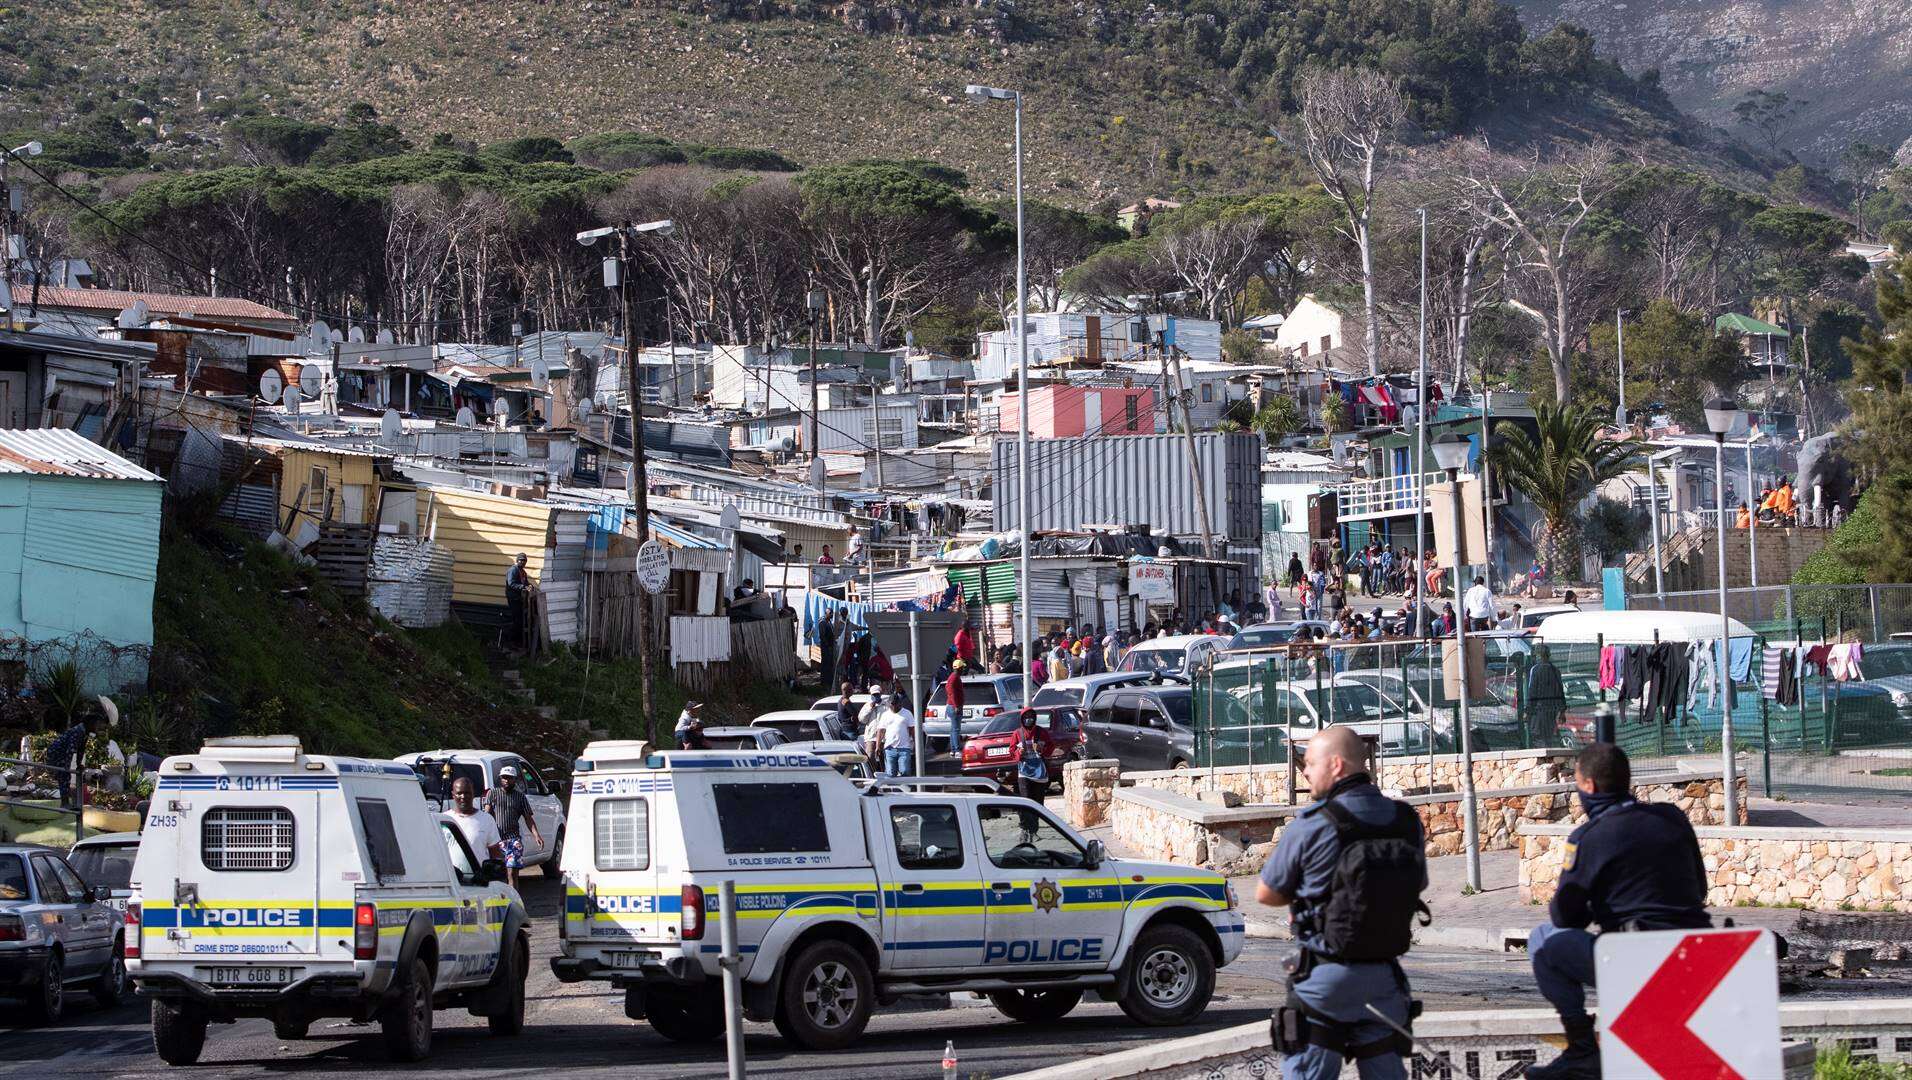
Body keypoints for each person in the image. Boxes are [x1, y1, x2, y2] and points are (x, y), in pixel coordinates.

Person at [1524, 743, 1709, 1080]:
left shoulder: (1588, 837)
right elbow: (1700, 888)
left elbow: (1566, 918)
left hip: (1635, 959)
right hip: (1695, 954)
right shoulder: (1673, 818)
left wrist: (1599, 904)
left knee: (1542, 941)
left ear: (1590, 787)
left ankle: (1582, 1050)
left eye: (1577, 783)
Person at [1258, 726, 1426, 1079]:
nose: (1304, 771)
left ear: (1336, 766)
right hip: (1386, 981)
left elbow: (1266, 892)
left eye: (1310, 763)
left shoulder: (1314, 823)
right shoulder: (1406, 821)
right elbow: (1418, 883)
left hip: (1325, 981)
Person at [484, 765, 545, 889]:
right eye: (504, 778)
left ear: (514, 780)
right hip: (496, 840)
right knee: (497, 873)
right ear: (500, 779)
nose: (506, 780)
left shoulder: (520, 797)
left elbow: (528, 818)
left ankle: (515, 900)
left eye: (510, 778)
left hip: (513, 840)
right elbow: (486, 815)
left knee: (512, 873)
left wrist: (536, 835)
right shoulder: (492, 793)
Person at [447, 776, 503, 862]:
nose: (463, 797)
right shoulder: (445, 819)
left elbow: (496, 854)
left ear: (473, 793)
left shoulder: (486, 819)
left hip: (479, 874)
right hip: (450, 875)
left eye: (467, 793)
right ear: (453, 795)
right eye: (459, 793)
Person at [1524, 643, 1566, 746]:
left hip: (1538, 710)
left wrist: (1527, 711)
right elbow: (1560, 691)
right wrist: (1562, 711)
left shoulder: (1535, 670)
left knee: (1537, 737)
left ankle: (1543, 760)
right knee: (1548, 737)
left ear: (1538, 655)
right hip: (1552, 710)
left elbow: (1532, 692)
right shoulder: (1556, 670)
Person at [1009, 709, 1049, 802]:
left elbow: (1050, 746)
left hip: (1040, 773)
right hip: (1024, 773)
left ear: (1034, 718)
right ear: (1022, 719)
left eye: (1031, 717)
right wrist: (1019, 752)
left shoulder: (1042, 732)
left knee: (1038, 804)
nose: (1028, 719)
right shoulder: (1017, 733)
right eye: (1026, 717)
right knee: (1026, 802)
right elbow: (1011, 751)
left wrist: (1042, 749)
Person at [879, 692, 916, 776]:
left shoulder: (907, 713)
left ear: (899, 703)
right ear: (889, 704)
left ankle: (905, 788)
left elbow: (912, 730)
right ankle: (894, 789)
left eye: (895, 704)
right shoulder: (885, 715)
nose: (893, 706)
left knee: (905, 771)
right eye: (891, 704)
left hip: (904, 748)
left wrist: (915, 744)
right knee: (891, 773)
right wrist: (878, 745)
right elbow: (880, 731)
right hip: (889, 749)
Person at [504, 552, 532, 650]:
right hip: (513, 598)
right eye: (521, 560)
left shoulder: (523, 572)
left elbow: (526, 582)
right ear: (517, 560)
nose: (523, 562)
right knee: (517, 620)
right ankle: (510, 640)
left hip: (520, 599)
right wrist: (523, 587)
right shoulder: (513, 570)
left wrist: (529, 586)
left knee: (520, 620)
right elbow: (511, 583)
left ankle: (518, 641)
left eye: (525, 561)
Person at [943, 659, 968, 753]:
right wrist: (956, 705)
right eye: (962, 667)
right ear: (959, 668)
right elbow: (951, 693)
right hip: (954, 707)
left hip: (953, 706)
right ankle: (957, 750)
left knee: (953, 729)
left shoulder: (954, 677)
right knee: (956, 729)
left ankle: (953, 750)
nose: (963, 669)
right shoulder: (954, 678)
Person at [816, 609, 842, 689]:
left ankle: (829, 681)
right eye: (830, 614)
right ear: (826, 613)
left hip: (830, 646)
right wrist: (828, 646)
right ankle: (824, 682)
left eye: (832, 614)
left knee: (830, 664)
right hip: (826, 647)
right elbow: (822, 636)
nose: (832, 615)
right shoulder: (823, 622)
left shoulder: (829, 622)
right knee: (825, 664)